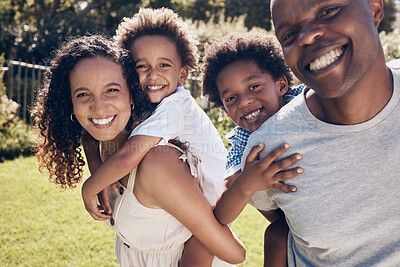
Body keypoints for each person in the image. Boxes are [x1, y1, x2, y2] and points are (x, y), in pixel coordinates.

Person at [31, 34, 245, 266]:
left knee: (200, 243)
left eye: (112, 90)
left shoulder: (161, 145)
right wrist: (96, 169)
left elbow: (129, 155)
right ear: (69, 103)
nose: (99, 107)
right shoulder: (103, 143)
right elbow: (94, 141)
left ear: (132, 93)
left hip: (217, 200)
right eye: (83, 94)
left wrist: (90, 188)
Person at [243, 0, 400, 266]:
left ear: (375, 9)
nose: (307, 36)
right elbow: (281, 227)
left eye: (328, 11)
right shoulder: (269, 150)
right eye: (289, 35)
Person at [201, 31, 304, 267]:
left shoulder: (304, 102)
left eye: (254, 86)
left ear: (281, 84)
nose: (244, 101)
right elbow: (222, 214)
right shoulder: (244, 141)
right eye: (231, 99)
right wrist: (247, 182)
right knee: (276, 235)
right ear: (225, 110)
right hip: (289, 221)